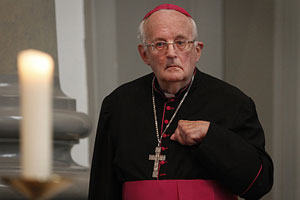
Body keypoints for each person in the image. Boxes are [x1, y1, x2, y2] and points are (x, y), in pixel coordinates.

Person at [88, 4, 273, 200]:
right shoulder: (118, 105)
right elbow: (102, 186)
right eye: (159, 44)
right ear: (144, 54)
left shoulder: (234, 102)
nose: (171, 53)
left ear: (197, 50)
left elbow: (260, 183)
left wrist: (211, 136)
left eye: (180, 42)